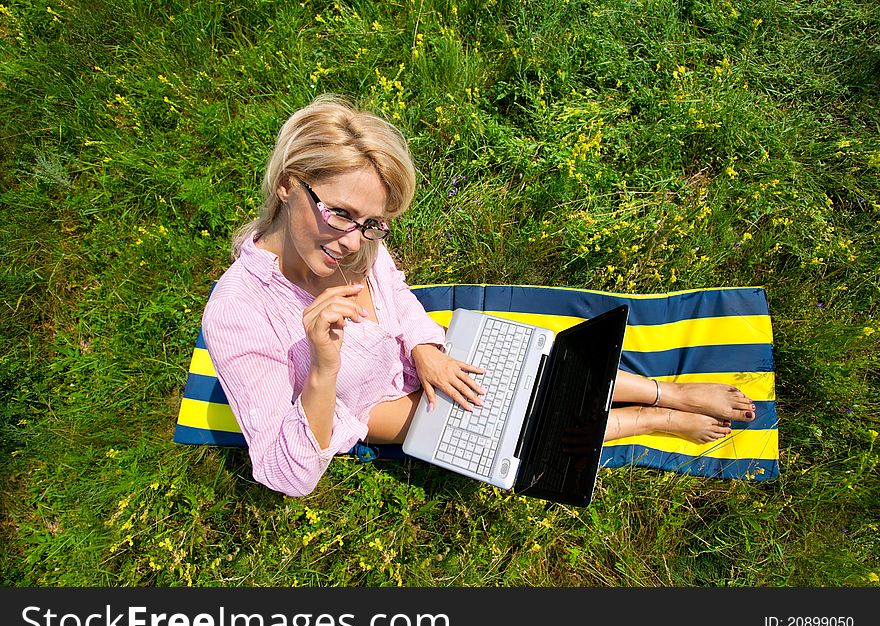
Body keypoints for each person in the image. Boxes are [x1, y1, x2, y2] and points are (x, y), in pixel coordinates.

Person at [202, 95, 756, 498]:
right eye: (340, 213)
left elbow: (395, 294)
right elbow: (287, 475)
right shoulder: (239, 313)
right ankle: (645, 423)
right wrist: (323, 368)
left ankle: (667, 392)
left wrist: (424, 349)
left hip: (420, 361)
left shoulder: (357, 244)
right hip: (372, 406)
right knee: (516, 428)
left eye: (373, 225)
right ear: (287, 183)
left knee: (540, 363)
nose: (352, 243)